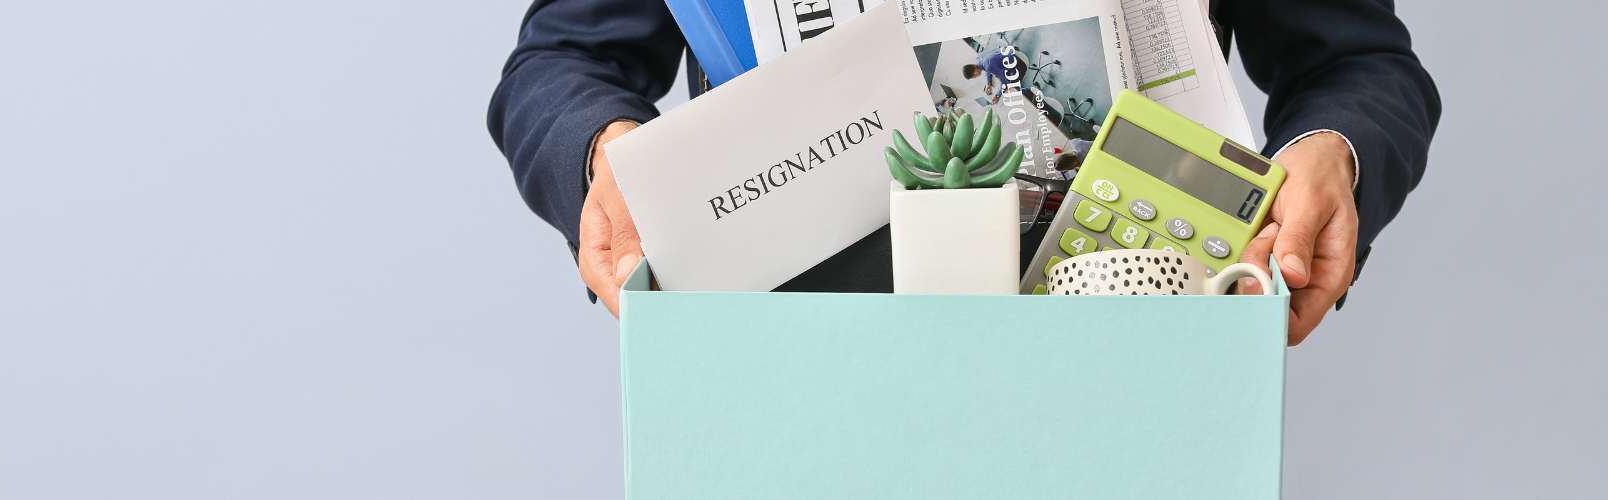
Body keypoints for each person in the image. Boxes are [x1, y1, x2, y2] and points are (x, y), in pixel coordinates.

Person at [487, 0, 1442, 345]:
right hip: (796, 357)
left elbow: (1355, 65)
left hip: (1133, 355)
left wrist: (1336, 154)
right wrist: (602, 152)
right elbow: (562, 62)